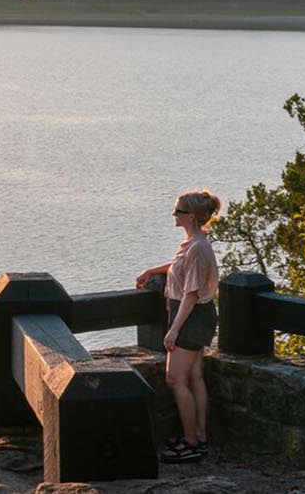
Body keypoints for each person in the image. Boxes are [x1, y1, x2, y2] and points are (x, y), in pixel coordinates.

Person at [135, 189, 221, 464]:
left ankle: (191, 442)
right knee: (194, 377)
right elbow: (177, 267)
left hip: (190, 316)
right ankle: (200, 437)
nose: (174, 215)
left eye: (178, 211)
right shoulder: (193, 242)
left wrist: (173, 330)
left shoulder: (197, 248)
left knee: (175, 379)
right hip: (195, 315)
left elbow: (192, 293)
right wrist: (152, 271)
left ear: (192, 216)